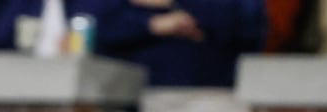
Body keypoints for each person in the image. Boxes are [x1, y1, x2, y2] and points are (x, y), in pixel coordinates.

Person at [77, 0, 268, 87]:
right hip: (130, 96)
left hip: (212, 96)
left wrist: (172, 4)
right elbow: (92, 25)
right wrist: (150, 24)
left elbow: (248, 26)